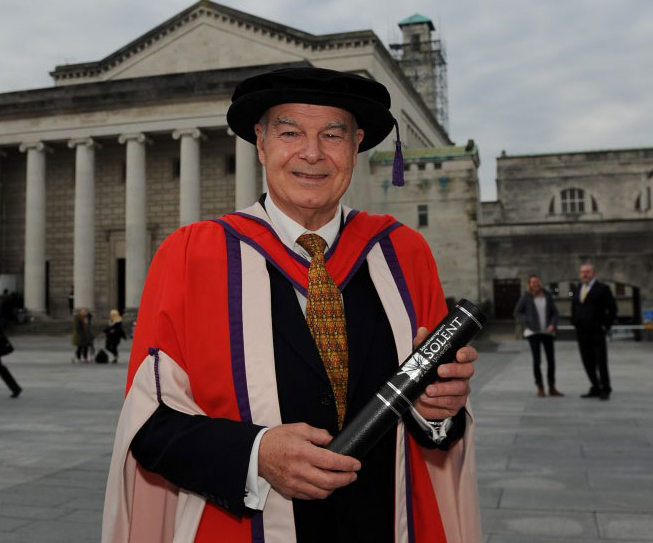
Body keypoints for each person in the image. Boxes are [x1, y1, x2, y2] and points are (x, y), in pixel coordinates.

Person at [102, 67, 481, 542]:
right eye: (289, 132)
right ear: (260, 143)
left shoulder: (404, 254)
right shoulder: (190, 257)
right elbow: (149, 426)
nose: (312, 153)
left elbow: (432, 427)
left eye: (332, 134)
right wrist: (255, 453)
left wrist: (439, 410)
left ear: (357, 145)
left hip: (385, 523)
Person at [572, 263, 617, 400]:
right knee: (587, 361)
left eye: (587, 272)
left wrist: (605, 325)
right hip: (582, 332)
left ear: (593, 273)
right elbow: (573, 303)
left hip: (597, 331)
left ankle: (605, 388)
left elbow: (613, 309)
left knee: (600, 361)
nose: (584, 274)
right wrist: (574, 321)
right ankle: (595, 386)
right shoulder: (576, 288)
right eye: (582, 272)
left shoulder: (603, 289)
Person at [514, 275, 562, 397]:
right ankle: (540, 387)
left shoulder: (547, 295)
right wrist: (528, 321)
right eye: (532, 282)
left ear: (540, 283)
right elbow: (517, 312)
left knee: (551, 360)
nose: (535, 284)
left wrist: (552, 324)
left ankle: (552, 387)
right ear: (529, 284)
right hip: (533, 332)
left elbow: (555, 313)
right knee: (537, 360)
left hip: (548, 332)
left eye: (537, 281)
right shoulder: (526, 297)